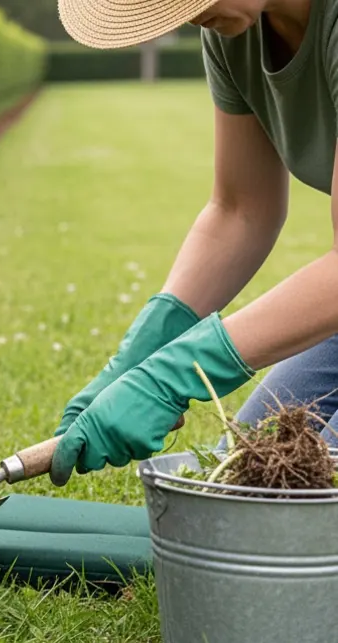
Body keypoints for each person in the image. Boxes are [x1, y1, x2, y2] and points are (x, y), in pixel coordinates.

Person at [49, 0, 338, 486]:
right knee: (251, 474)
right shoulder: (233, 30)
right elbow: (241, 209)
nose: (186, 16)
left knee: (312, 505)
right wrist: (145, 350)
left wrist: (180, 371)